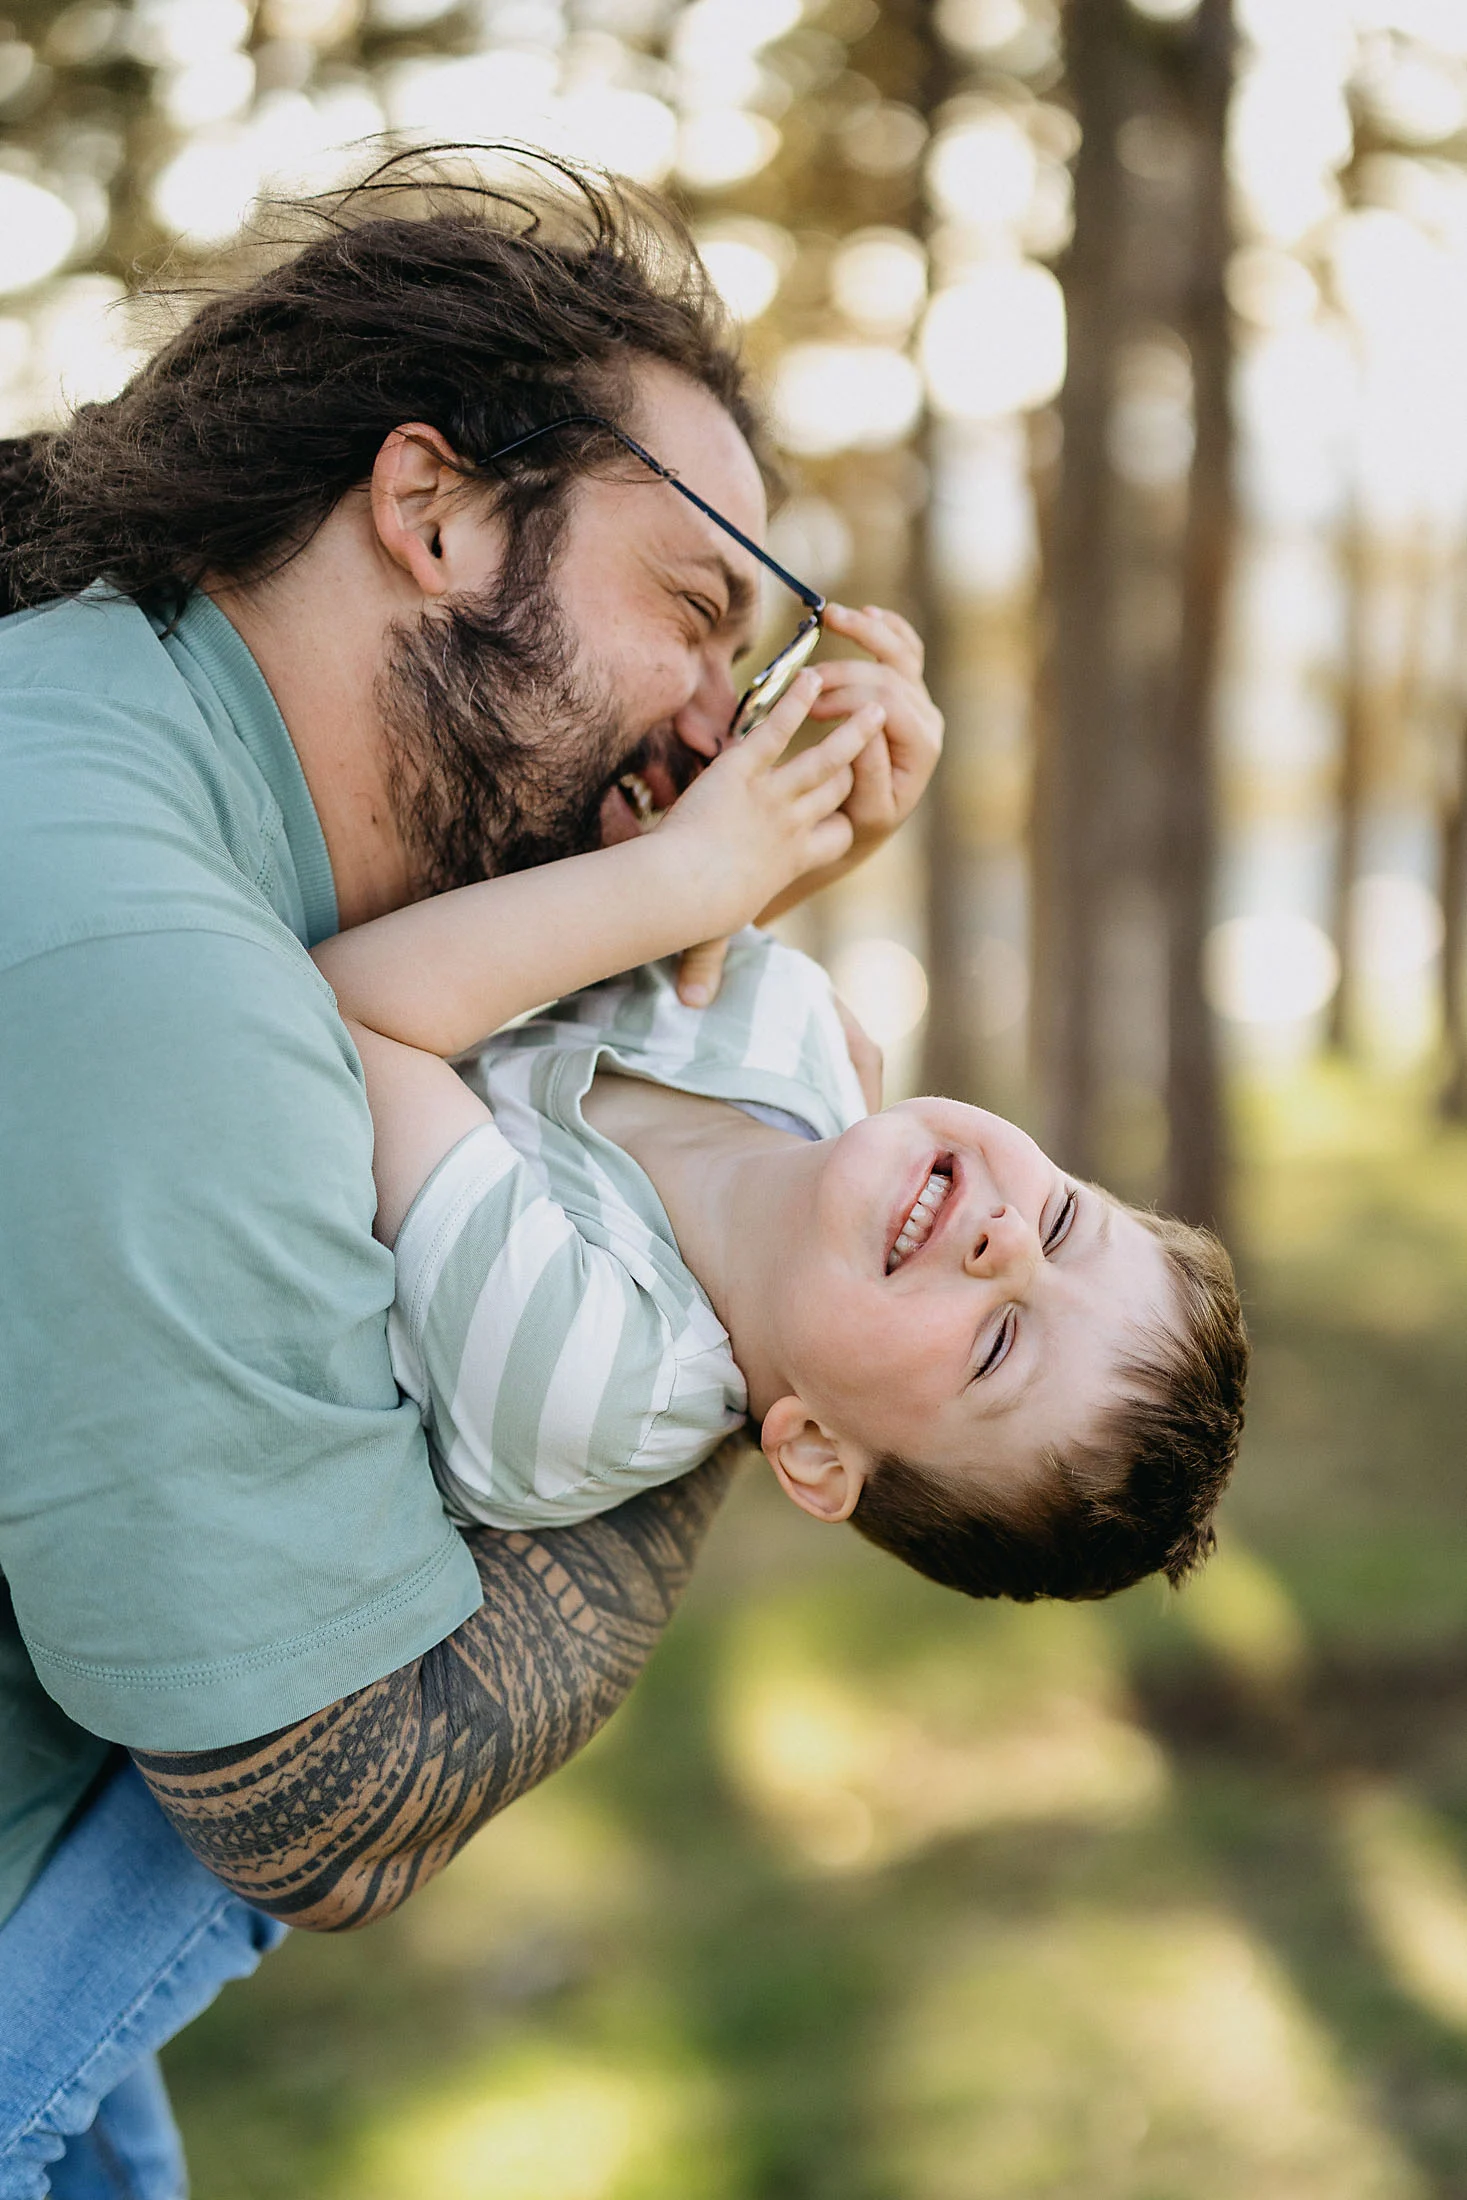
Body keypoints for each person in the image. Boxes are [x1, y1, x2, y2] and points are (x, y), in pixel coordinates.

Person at [0, 148, 942, 2194]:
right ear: (429, 507)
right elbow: (326, 1800)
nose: (716, 738)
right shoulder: (159, 967)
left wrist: (707, 923)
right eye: (695, 611)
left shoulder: (113, 732)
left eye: (753, 678)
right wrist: (769, 1336)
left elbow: (484, 1075)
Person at [312, 679, 1246, 1594]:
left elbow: (331, 1026)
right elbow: (641, 927)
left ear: (814, 1452)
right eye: (1059, 1223)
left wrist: (683, 884)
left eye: (998, 1345)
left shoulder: (590, 1376)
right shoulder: (801, 1030)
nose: (1004, 1242)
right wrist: (817, 833)